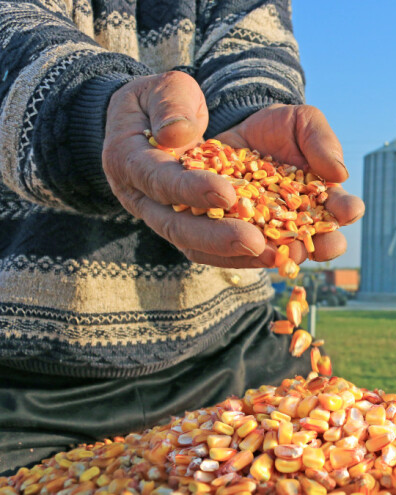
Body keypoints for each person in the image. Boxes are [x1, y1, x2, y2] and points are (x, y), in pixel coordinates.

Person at [0, 0, 364, 474]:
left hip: (229, 349)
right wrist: (99, 110)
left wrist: (250, 112)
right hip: (24, 381)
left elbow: (251, 40)